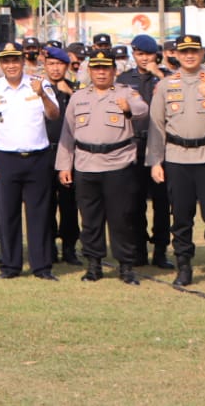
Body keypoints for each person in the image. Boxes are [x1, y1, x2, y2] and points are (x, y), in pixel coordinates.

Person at [146, 34, 205, 289]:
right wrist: (155, 161)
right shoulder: (165, 85)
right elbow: (157, 127)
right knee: (182, 216)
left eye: (194, 52)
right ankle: (183, 267)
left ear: (202, 54)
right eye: (184, 51)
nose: (189, 56)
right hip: (177, 158)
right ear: (175, 54)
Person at [56, 45, 149, 283]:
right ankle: (94, 264)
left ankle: (126, 266)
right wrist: (64, 165)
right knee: (90, 220)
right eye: (96, 68)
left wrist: (128, 107)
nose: (100, 73)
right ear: (90, 70)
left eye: (105, 68)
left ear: (114, 71)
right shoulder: (78, 97)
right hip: (86, 165)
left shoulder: (125, 92)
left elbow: (143, 110)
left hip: (118, 164)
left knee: (121, 219)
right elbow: (67, 133)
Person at [0, 43, 60, 280]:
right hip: (7, 158)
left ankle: (42, 267)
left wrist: (42, 94)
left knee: (40, 215)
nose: (12, 65)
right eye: (7, 62)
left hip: (37, 157)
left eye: (15, 60)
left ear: (23, 62)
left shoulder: (40, 83)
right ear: (1, 65)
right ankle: (10, 266)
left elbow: (54, 115)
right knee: (7, 215)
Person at [121, 33, 172, 269]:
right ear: (133, 54)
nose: (144, 58)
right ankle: (139, 250)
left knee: (162, 204)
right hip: (134, 145)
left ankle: (160, 251)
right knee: (133, 202)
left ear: (156, 55)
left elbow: (173, 94)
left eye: (148, 54)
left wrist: (158, 73)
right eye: (140, 54)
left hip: (162, 147)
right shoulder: (123, 79)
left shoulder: (167, 77)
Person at [41, 44, 81, 266]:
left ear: (67, 66)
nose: (55, 69)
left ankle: (69, 248)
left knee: (69, 205)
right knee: (45, 204)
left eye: (59, 64)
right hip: (43, 153)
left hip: (68, 153)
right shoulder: (37, 89)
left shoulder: (76, 89)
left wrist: (70, 93)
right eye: (51, 64)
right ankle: (49, 248)